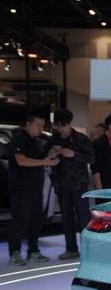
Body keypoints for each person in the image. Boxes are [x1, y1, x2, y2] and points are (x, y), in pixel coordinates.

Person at [7, 112, 60, 266]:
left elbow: (40, 159)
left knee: (36, 219)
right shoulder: (19, 138)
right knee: (20, 219)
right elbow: (21, 161)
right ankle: (14, 252)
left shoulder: (36, 141)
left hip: (36, 187)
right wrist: (45, 162)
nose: (40, 128)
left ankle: (33, 250)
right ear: (28, 124)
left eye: (42, 126)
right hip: (21, 187)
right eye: (38, 125)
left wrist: (50, 156)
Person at [47, 108, 94, 260]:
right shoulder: (53, 139)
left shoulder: (80, 138)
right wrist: (51, 155)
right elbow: (44, 155)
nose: (61, 129)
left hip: (79, 185)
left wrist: (74, 154)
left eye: (64, 125)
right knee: (66, 218)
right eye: (58, 126)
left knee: (84, 218)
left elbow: (91, 158)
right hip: (61, 185)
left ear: (69, 124)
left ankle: (88, 249)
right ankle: (71, 249)